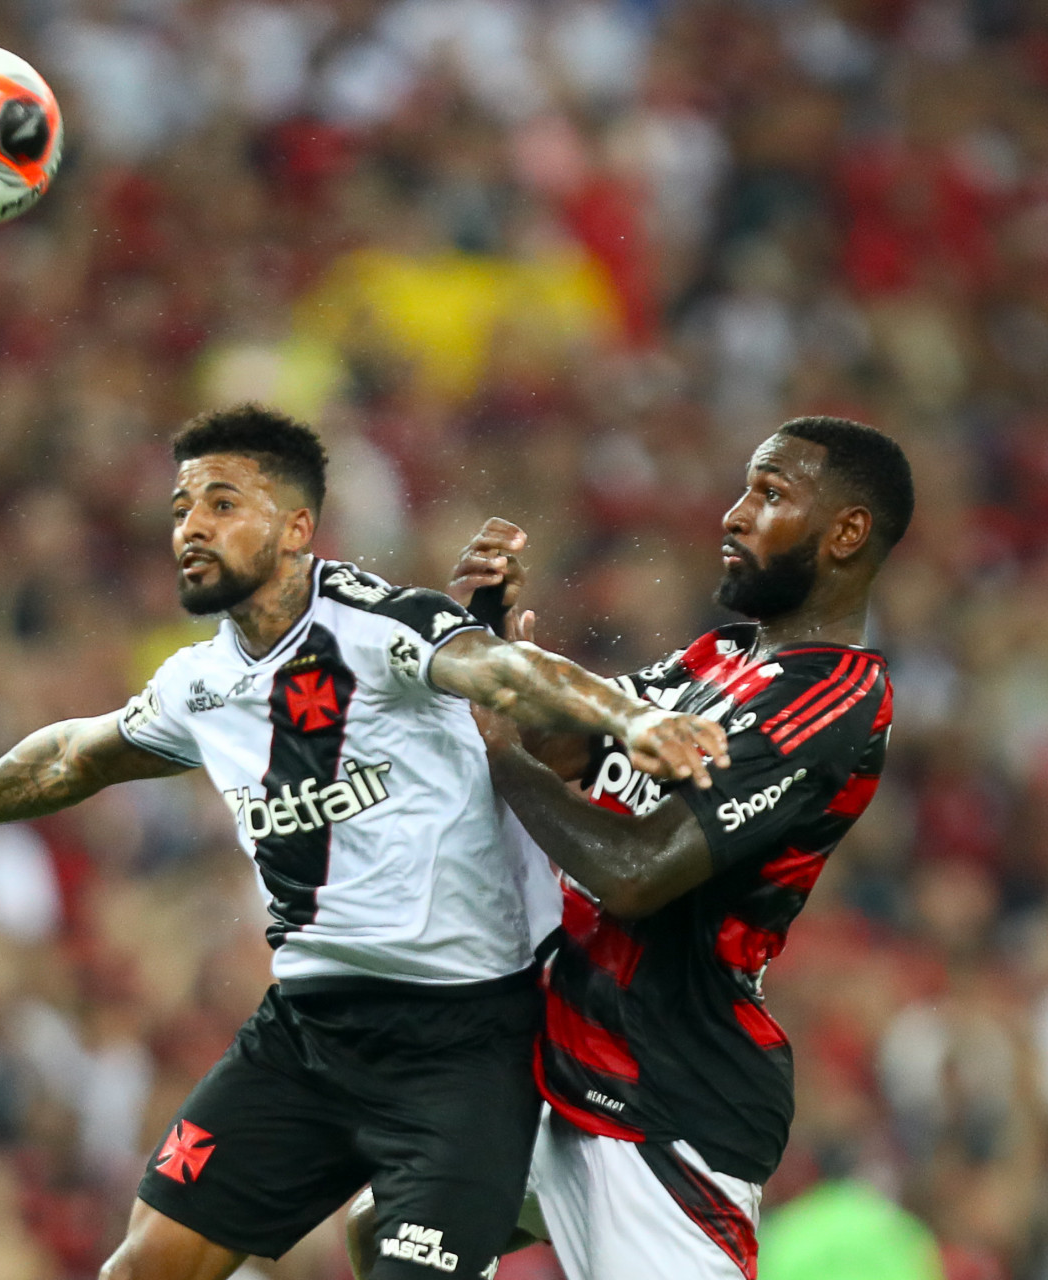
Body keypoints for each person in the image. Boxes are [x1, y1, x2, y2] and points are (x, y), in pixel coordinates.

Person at [0, 404, 727, 1280]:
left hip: (464, 1048)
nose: (191, 528)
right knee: (145, 1268)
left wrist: (634, 716)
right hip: (309, 1035)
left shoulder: (378, 627)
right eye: (179, 510)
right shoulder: (199, 682)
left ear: (295, 527)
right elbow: (74, 757)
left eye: (221, 504)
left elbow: (502, 668)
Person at [347, 415, 914, 1280]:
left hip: (670, 1109)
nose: (734, 513)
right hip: (565, 1066)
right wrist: (490, 648)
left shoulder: (834, 701)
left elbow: (636, 872)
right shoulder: (717, 659)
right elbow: (569, 747)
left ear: (845, 534)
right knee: (392, 1225)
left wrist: (501, 746)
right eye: (743, 487)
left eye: (770, 495)